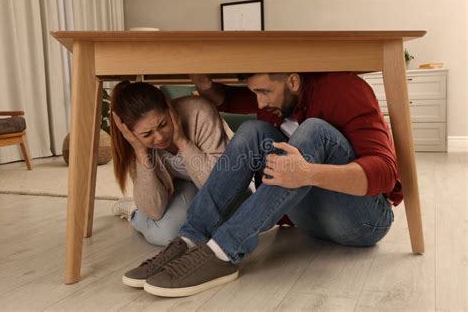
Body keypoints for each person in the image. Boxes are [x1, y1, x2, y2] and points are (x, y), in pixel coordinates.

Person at [122, 72, 400, 297]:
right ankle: (190, 237)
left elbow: (386, 173)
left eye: (264, 92)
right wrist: (206, 85)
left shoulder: (343, 88)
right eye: (254, 92)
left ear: (293, 80)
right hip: (307, 219)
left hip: (363, 222)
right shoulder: (277, 96)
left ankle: (224, 251)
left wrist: (309, 173)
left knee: (314, 130)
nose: (259, 104)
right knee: (252, 130)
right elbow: (229, 98)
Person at [109, 81, 232, 286]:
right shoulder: (133, 141)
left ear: (169, 108)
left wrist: (182, 141)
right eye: (147, 135)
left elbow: (220, 187)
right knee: (167, 234)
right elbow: (154, 210)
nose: (159, 137)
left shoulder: (199, 112)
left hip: (216, 182)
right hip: (182, 189)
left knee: (227, 223)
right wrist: (141, 152)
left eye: (163, 124)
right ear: (131, 133)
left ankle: (136, 211)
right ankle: (135, 213)